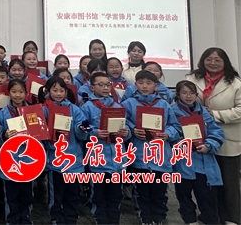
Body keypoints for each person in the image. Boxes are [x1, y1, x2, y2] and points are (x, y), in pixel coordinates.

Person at [186, 47, 241, 225]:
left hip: (228, 138)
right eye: (209, 59)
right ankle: (210, 216)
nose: (213, 63)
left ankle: (231, 217)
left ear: (225, 62)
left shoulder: (235, 83)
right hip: (199, 138)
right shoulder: (192, 79)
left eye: (218, 60)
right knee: (206, 183)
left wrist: (215, 115)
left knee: (229, 182)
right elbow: (184, 100)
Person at [121, 70, 181, 225]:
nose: (144, 86)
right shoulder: (128, 104)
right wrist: (133, 130)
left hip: (160, 157)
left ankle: (159, 217)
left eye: (149, 83)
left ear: (156, 85)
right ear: (135, 85)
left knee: (159, 191)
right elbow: (122, 124)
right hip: (139, 156)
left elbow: (176, 126)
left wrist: (168, 133)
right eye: (141, 83)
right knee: (141, 191)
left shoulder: (164, 104)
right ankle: (145, 218)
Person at [172, 80, 224, 225]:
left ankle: (209, 219)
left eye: (192, 93)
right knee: (184, 196)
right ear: (178, 95)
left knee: (207, 196)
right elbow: (170, 133)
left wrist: (209, 145)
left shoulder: (203, 112)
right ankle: (190, 220)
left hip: (204, 162)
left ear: (196, 95)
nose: (188, 96)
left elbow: (216, 131)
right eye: (184, 93)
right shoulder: (172, 112)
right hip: (183, 163)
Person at [80, 72, 129, 224]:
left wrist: (126, 132)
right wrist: (94, 132)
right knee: (98, 196)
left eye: (108, 85)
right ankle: (100, 220)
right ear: (92, 87)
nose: (105, 88)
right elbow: (82, 128)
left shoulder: (117, 106)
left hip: (117, 161)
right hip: (98, 161)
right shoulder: (87, 107)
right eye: (100, 85)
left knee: (116, 196)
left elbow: (125, 127)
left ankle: (114, 221)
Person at [42, 76, 89, 225]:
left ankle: (71, 219)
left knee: (73, 194)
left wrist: (81, 128)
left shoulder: (74, 109)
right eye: (54, 90)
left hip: (73, 160)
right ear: (48, 91)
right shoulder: (43, 109)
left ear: (66, 92)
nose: (58, 93)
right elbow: (40, 134)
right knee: (56, 195)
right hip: (55, 161)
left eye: (61, 90)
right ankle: (56, 219)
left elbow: (82, 132)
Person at [0, 79, 34, 224]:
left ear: (26, 93)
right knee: (11, 193)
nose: (17, 95)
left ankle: (25, 218)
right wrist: (4, 135)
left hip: (28, 158)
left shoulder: (33, 112)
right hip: (10, 159)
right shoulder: (2, 113)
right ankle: (12, 220)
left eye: (21, 92)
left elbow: (41, 133)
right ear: (8, 93)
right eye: (14, 92)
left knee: (26, 193)